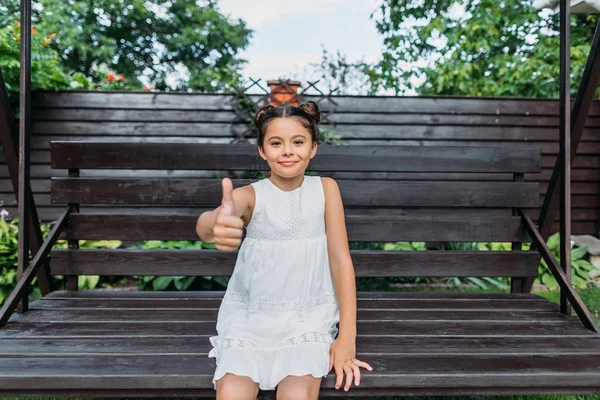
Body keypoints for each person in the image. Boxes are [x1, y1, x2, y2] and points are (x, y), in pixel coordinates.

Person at [196, 100, 373, 400]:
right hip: (251, 319)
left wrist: (347, 338)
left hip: (307, 318)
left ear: (313, 147)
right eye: (276, 143)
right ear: (262, 150)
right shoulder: (250, 196)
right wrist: (216, 223)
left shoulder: (326, 189)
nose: (288, 150)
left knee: (297, 395)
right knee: (231, 393)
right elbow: (208, 222)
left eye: (298, 142)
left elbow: (340, 261)